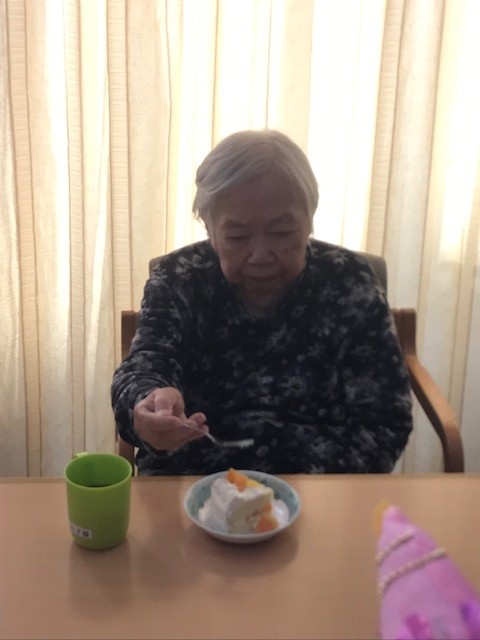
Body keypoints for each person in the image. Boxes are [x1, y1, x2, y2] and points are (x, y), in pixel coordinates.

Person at [111, 129, 412, 475]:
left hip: (319, 483)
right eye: (237, 236)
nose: (260, 255)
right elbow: (145, 366)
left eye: (281, 232)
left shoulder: (349, 281)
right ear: (209, 229)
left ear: (310, 220)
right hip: (193, 480)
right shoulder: (179, 278)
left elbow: (385, 418)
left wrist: (290, 486)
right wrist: (146, 406)